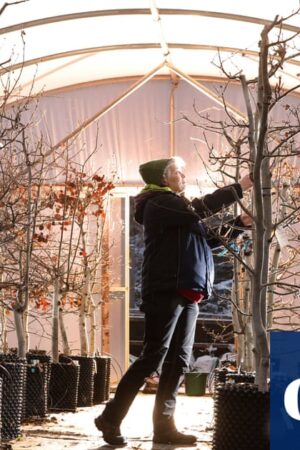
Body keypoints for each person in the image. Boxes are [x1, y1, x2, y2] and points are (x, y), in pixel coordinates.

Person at [94, 156, 252, 446]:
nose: (184, 175)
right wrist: (240, 187)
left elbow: (208, 240)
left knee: (178, 360)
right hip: (166, 290)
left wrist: (240, 223)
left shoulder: (179, 211)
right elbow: (198, 208)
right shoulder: (157, 203)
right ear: (165, 178)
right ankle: (110, 418)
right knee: (153, 356)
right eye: (180, 172)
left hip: (189, 292)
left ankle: (165, 426)